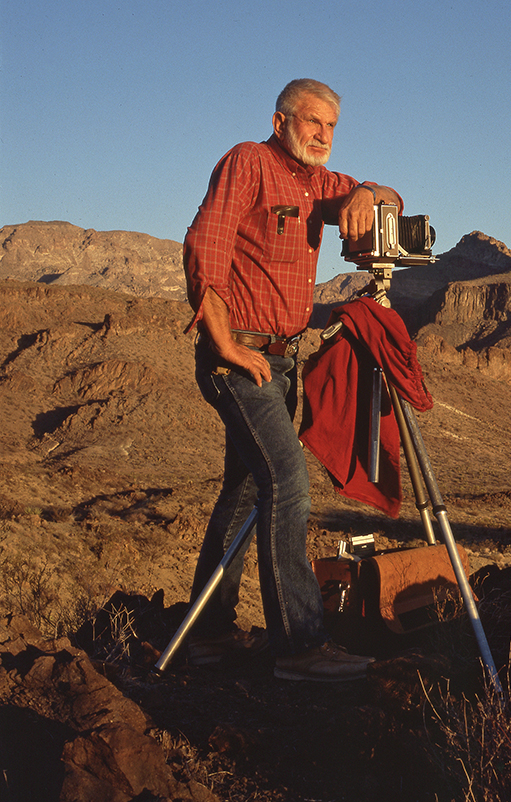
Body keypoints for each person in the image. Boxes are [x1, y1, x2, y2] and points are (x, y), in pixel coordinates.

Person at [182, 79, 402, 681]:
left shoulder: (319, 182)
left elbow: (389, 201)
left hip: (280, 361)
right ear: (281, 121)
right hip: (239, 356)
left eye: (331, 127)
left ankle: (209, 634)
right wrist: (223, 341)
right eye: (312, 122)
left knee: (245, 492)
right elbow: (206, 242)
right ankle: (300, 646)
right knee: (287, 479)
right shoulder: (248, 162)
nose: (322, 135)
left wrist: (369, 191)